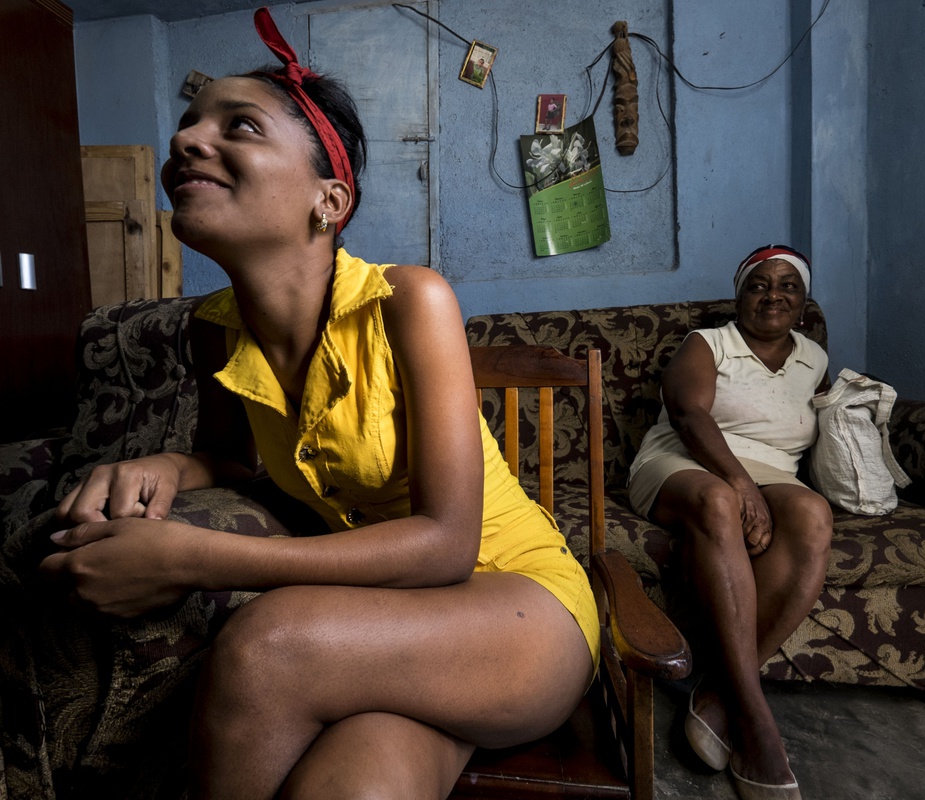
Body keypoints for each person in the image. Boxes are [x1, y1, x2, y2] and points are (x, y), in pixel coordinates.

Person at [40, 8, 598, 799]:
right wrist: (165, 463)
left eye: (239, 126)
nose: (187, 141)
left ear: (329, 201)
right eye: (189, 125)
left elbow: (446, 545)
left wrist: (190, 558)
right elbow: (231, 459)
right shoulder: (213, 332)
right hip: (383, 627)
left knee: (268, 647)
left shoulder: (411, 301)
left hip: (515, 604)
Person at [627, 245, 833, 800]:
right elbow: (687, 413)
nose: (774, 295)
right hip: (684, 460)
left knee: (814, 515)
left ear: (804, 302)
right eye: (759, 285)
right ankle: (757, 722)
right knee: (719, 501)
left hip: (773, 471)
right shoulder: (709, 342)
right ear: (739, 297)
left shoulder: (814, 358)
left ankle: (719, 695)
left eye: (788, 286)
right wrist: (741, 485)